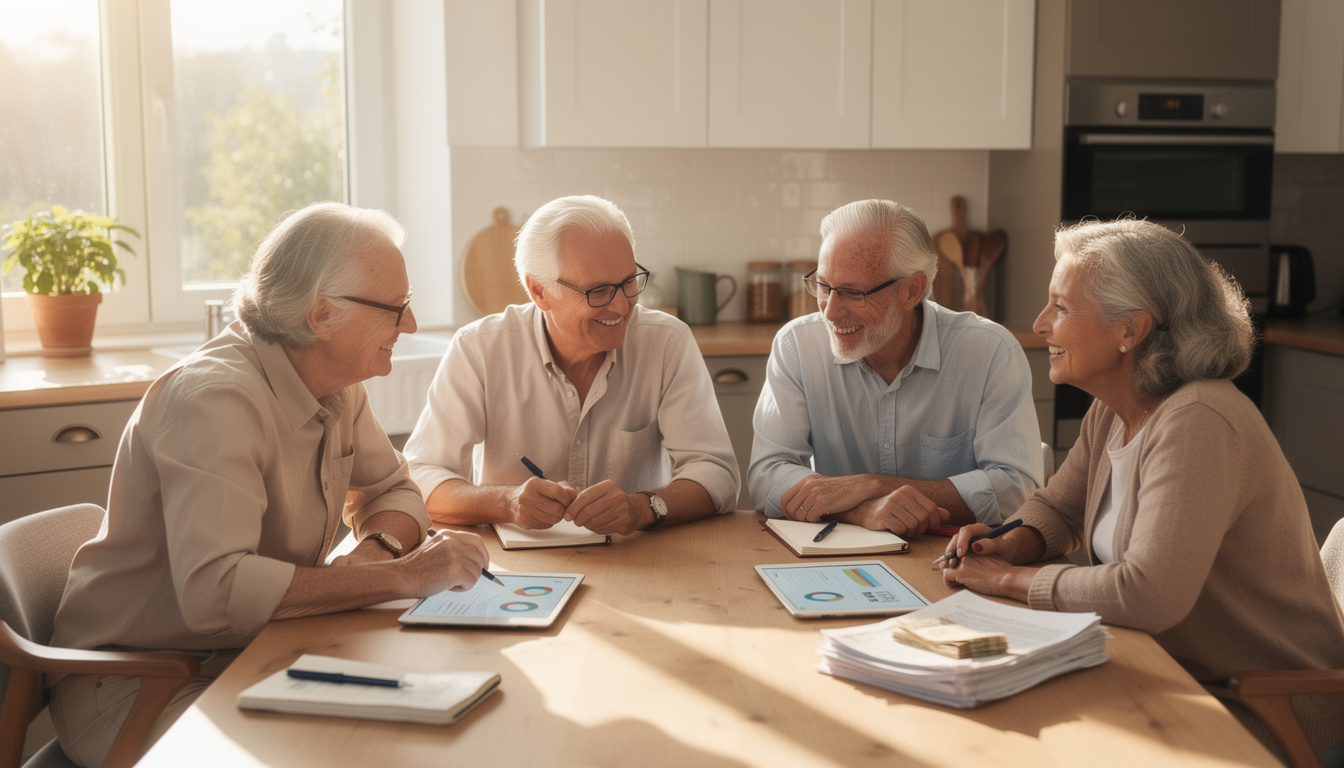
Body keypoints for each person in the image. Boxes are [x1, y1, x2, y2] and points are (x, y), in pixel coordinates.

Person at [48, 202, 491, 768]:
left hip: (257, 650)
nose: (410, 325)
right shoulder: (215, 399)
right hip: (143, 679)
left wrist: (376, 551)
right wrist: (402, 575)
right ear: (322, 314)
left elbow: (397, 491)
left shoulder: (337, 382)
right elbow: (218, 592)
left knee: (425, 732)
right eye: (395, 308)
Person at [940, 218, 1344, 761]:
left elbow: (1147, 594)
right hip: (1169, 673)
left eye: (1061, 308)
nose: (1040, 324)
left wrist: (1009, 579)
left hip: (1263, 706)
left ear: (1130, 329)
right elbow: (1060, 508)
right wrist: (1009, 543)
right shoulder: (1115, 408)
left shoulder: (1198, 419)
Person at [403, 195, 739, 535]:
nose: (622, 307)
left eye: (628, 282)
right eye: (599, 291)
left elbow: (717, 474)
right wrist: (507, 502)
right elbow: (421, 476)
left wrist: (642, 508)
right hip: (516, 562)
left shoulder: (667, 342)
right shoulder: (479, 348)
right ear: (539, 292)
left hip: (637, 554)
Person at [747, 199, 1043, 535]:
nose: (830, 311)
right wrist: (862, 509)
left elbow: (1017, 489)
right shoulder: (797, 345)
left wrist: (870, 485)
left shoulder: (990, 351)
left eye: (852, 293)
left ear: (912, 291)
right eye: (824, 286)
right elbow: (766, 474)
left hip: (955, 553)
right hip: (837, 553)